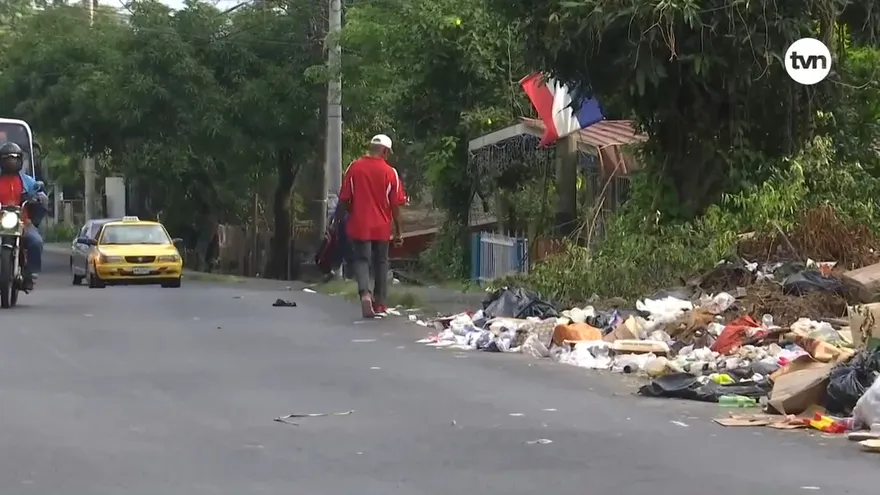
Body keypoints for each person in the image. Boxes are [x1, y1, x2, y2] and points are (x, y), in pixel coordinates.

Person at [333, 134, 406, 318]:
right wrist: (398, 231)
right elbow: (395, 205)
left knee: (361, 260)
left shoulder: (354, 167)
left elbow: (344, 199)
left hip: (359, 224)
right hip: (381, 227)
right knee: (381, 262)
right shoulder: (391, 173)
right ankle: (380, 303)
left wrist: (347, 215)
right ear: (385, 151)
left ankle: (365, 294)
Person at [0, 142, 45, 289]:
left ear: (20, 160)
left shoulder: (27, 180)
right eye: (7, 158)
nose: (11, 161)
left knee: (36, 241)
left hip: (22, 222)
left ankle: (30, 274)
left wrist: (39, 197)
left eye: (14, 158)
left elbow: (38, 191)